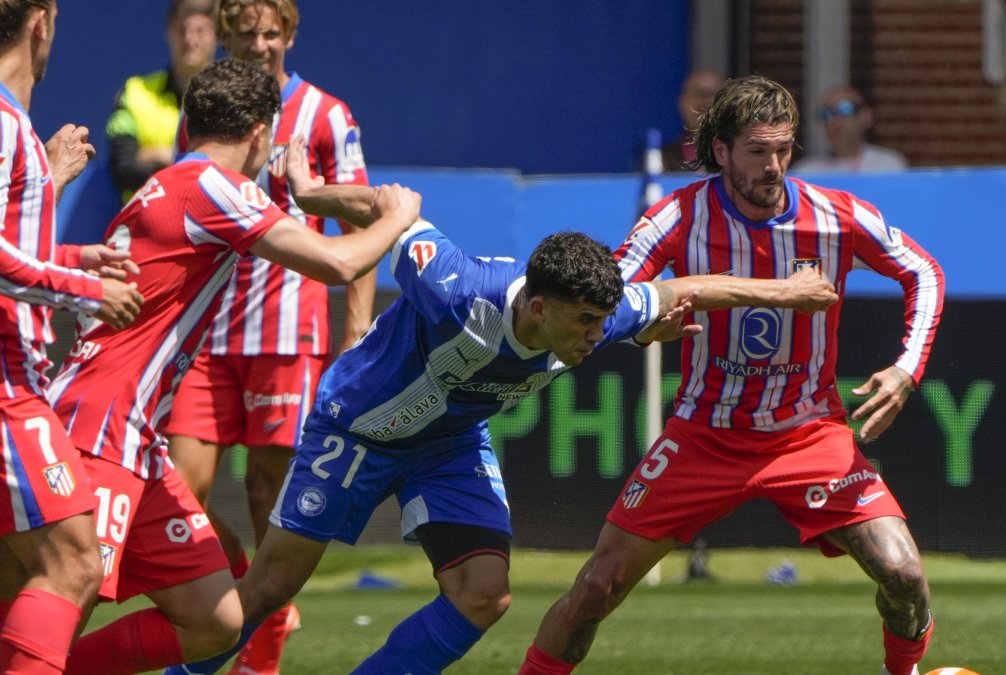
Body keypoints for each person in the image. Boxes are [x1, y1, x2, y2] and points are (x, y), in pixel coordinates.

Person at [163, 145, 840, 674]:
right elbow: (393, 209)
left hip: (449, 442)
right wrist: (311, 194)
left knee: (483, 592)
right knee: (271, 585)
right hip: (358, 428)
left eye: (603, 322)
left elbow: (682, 288)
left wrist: (787, 290)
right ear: (537, 308)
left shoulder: (599, 315)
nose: (595, 337)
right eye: (583, 323)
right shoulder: (459, 288)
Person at [518, 75, 945, 675]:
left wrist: (906, 370)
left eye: (784, 150)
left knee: (904, 576)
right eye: (757, 152)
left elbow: (924, 273)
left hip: (809, 433)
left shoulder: (836, 216)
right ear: (720, 151)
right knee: (597, 587)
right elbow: (613, 292)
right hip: (703, 435)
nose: (774, 167)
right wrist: (643, 323)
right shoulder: (676, 217)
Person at [41, 57, 420, 675]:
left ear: (187, 125)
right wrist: (396, 218)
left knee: (214, 617)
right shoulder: (216, 186)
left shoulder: (165, 184)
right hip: (101, 428)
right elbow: (336, 262)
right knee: (62, 596)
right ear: (262, 135)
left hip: (130, 435)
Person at [165, 2, 376, 670]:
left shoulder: (326, 114)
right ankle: (251, 594)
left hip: (287, 332)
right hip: (207, 330)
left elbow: (359, 222)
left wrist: (356, 330)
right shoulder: (202, 110)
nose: (259, 45)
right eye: (245, 33)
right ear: (225, 36)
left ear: (289, 35)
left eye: (270, 33)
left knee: (267, 494)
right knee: (174, 487)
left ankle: (262, 648)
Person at [0, 1, 145, 673]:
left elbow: (15, 249)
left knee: (16, 578)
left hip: (18, 380)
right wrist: (89, 290)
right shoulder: (4, 123)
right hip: (6, 386)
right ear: (42, 21)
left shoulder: (16, 126)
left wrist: (73, 257)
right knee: (75, 562)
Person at [106, 0, 217, 201]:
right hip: (145, 223)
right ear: (169, 32)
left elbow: (236, 170)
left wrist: (162, 156)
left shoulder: (231, 98)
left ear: (216, 36)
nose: (190, 39)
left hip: (210, 225)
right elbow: (122, 170)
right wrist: (194, 161)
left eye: (200, 31)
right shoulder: (134, 92)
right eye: (182, 30)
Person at [794, 84, 908, 173]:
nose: (835, 120)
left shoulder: (888, 165)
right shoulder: (805, 172)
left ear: (866, 116)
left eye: (844, 109)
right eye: (826, 114)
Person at [661, 69, 725, 172]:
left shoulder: (744, 157)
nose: (705, 104)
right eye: (697, 94)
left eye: (713, 95)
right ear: (682, 102)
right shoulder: (660, 160)